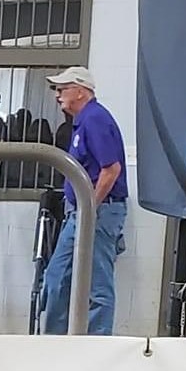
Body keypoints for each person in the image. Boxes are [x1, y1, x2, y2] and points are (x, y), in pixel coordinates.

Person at [40, 66, 128, 335]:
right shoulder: (83, 122)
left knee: (97, 285)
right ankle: (56, 340)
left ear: (80, 91)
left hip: (97, 212)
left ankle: (96, 343)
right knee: (56, 276)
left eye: (62, 89)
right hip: (82, 212)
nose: (57, 95)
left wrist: (88, 209)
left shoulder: (95, 120)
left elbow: (111, 169)